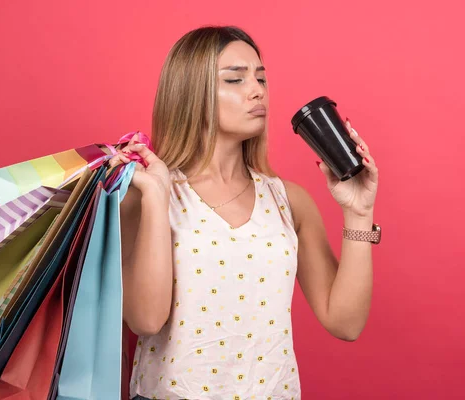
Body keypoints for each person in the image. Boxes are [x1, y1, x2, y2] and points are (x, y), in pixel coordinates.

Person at [109, 25, 380, 400]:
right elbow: (146, 319)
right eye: (235, 79)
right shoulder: (146, 194)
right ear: (191, 93)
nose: (257, 90)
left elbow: (345, 323)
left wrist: (359, 213)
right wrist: (157, 195)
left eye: (261, 78)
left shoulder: (289, 200)